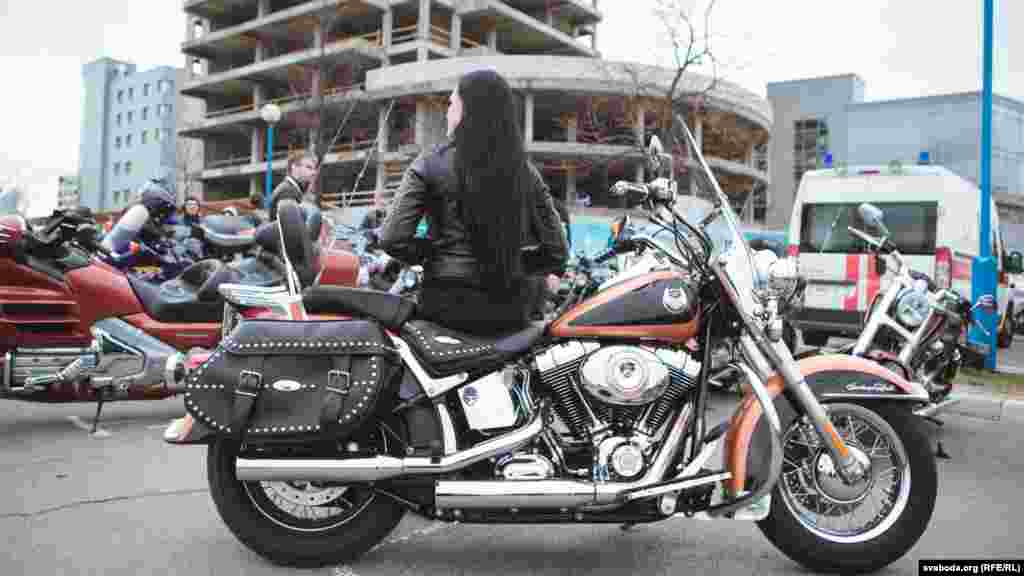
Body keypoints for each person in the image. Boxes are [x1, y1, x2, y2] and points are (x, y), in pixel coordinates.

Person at [380, 69, 569, 335]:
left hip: (445, 307)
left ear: (465, 110)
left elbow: (391, 239)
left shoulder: (430, 164)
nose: (447, 113)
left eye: (451, 104)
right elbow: (557, 252)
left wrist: (434, 254)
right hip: (509, 310)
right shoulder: (526, 172)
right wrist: (512, 262)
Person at [101, 178, 177, 255]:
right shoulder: (138, 211)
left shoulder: (144, 213)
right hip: (115, 253)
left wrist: (164, 242)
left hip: (130, 255)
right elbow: (116, 232)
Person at [269, 151, 318, 220]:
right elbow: (291, 224)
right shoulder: (288, 191)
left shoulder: (290, 188)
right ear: (294, 167)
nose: (314, 172)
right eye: (309, 167)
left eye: (314, 169)